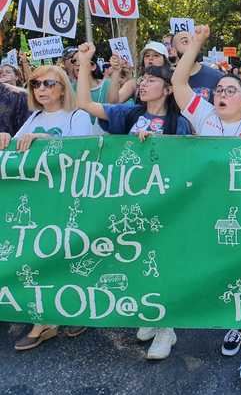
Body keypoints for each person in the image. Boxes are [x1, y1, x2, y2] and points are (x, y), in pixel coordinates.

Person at [76, 42, 191, 359]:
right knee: (138, 263)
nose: (143, 83)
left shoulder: (178, 125)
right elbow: (84, 103)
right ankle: (150, 316)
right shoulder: (129, 113)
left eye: (151, 80)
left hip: (163, 208)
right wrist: (86, 62)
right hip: (129, 206)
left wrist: (158, 147)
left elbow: (186, 166)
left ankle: (166, 328)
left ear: (168, 89)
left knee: (161, 265)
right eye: (142, 80)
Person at [172, 25, 241, 378]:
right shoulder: (203, 117)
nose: (223, 94)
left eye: (232, 90)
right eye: (219, 90)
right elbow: (179, 83)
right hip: (209, 214)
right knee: (224, 275)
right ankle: (236, 321)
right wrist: (195, 43)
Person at [0, 64, 92, 350]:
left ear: (63, 87)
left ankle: (76, 311)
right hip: (38, 200)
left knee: (71, 256)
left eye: (48, 84)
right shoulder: (34, 117)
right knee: (43, 257)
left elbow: (83, 152)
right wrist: (6, 141)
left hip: (67, 200)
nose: (41, 89)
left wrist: (46, 141)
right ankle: (46, 320)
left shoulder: (78, 116)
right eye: (36, 84)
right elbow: (16, 151)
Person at [172, 31, 224, 102]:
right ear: (174, 51)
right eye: (185, 42)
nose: (192, 45)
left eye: (193, 40)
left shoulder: (217, 77)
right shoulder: (167, 79)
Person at [0, 65, 31, 136]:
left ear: (16, 77)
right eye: (0, 73)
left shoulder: (23, 96)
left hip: (14, 142)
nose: (3, 74)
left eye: (8, 72)